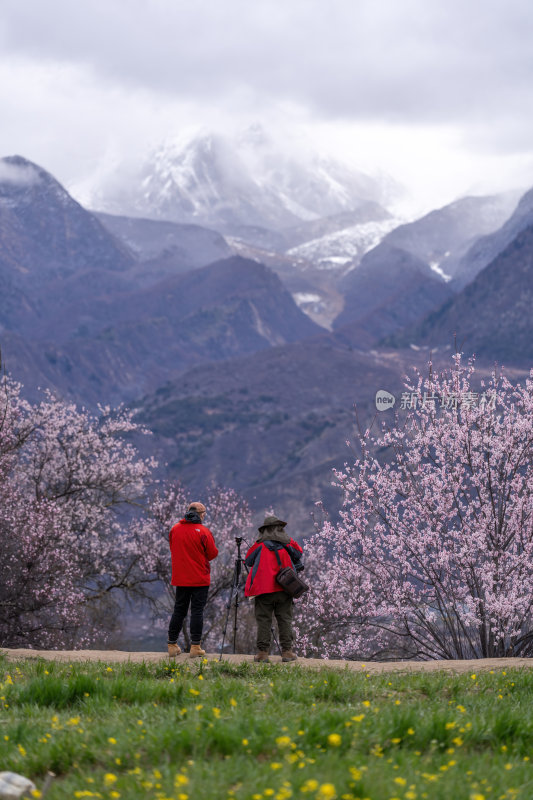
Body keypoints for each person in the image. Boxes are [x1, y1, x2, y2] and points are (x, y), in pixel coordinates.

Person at [244, 514, 304, 663]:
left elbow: (248, 560)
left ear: (264, 530)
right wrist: (288, 540)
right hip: (285, 588)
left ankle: (263, 653)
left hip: (263, 589)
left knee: (264, 620)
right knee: (285, 619)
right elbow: (299, 553)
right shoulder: (288, 544)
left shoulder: (259, 545)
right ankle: (287, 652)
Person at [167, 501, 219, 658]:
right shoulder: (203, 531)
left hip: (181, 578)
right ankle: (195, 647)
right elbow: (212, 553)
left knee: (179, 610)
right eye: (203, 513)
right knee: (197, 611)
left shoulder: (174, 529)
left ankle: (172, 645)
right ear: (200, 514)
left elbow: (173, 548)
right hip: (199, 578)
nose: (204, 516)